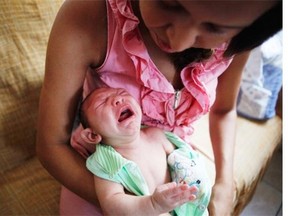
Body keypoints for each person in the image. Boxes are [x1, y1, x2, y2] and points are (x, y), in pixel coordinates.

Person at [36, 0, 282, 215]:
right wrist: (140, 206)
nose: (179, 41)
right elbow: (51, 145)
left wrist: (224, 183)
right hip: (106, 180)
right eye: (169, 4)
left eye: (215, 28)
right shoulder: (90, 16)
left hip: (166, 165)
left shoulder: (240, 34)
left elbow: (224, 110)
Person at [80, 87, 211, 216]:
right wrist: (153, 205)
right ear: (92, 135)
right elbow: (111, 205)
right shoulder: (106, 162)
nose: (118, 99)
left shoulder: (157, 135)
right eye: (102, 102)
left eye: (122, 93)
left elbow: (185, 160)